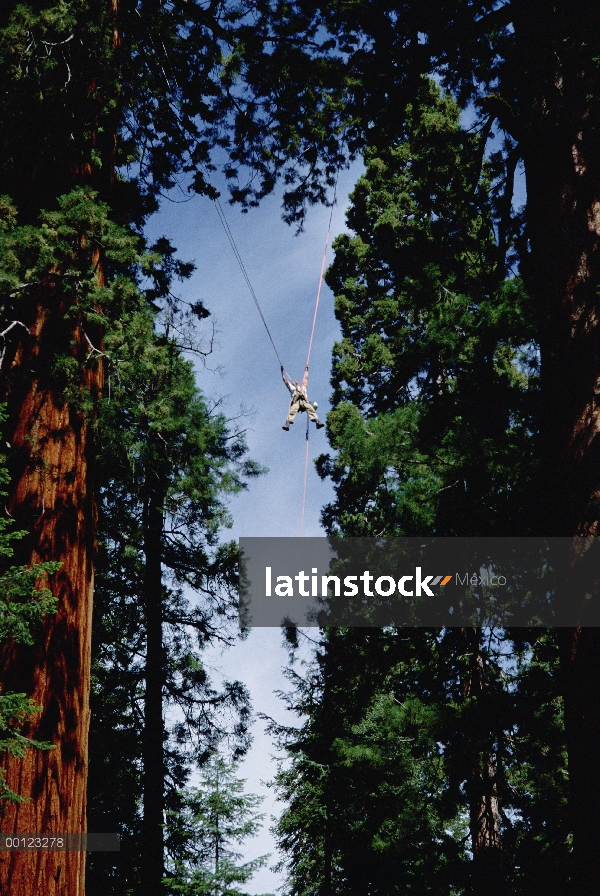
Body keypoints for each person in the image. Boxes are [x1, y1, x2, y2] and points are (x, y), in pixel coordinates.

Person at [281, 365, 324, 431]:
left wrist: (306, 370)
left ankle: (317, 422)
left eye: (296, 382)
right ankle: (287, 424)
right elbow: (285, 381)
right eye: (294, 382)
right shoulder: (292, 388)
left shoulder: (303, 388)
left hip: (304, 401)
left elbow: (305, 379)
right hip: (296, 402)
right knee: (292, 410)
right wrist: (282, 372)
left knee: (310, 408)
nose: (295, 382)